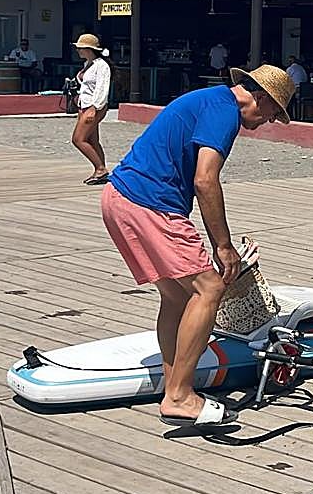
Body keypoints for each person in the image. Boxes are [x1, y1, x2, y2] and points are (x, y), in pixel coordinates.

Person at [101, 64, 293, 427]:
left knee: (176, 296)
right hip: (149, 203)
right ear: (261, 97)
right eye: (272, 113)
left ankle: (174, 382)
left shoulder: (210, 100)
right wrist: (224, 246)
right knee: (209, 288)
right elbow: (205, 180)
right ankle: (179, 397)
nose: (269, 121)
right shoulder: (225, 113)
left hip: (118, 198)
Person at [71, 34, 113, 185]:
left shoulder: (101, 65)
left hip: (93, 107)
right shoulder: (89, 64)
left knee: (78, 139)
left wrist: (94, 108)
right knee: (92, 140)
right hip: (85, 105)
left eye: (81, 48)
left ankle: (100, 168)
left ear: (89, 49)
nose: (78, 50)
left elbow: (102, 88)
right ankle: (101, 171)